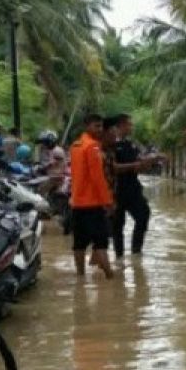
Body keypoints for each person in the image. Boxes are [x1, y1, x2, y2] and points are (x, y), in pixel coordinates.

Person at [69, 114, 114, 279]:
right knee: (101, 241)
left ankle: (80, 276)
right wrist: (107, 201)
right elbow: (98, 178)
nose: (100, 129)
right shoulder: (92, 147)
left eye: (101, 126)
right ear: (87, 126)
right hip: (92, 203)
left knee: (79, 243)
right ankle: (110, 275)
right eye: (97, 126)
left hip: (77, 203)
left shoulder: (75, 145)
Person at [110, 114, 157, 258]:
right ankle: (119, 257)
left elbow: (139, 165)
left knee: (143, 215)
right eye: (129, 124)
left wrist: (149, 162)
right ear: (120, 126)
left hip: (133, 188)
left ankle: (136, 251)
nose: (131, 127)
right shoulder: (111, 145)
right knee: (118, 225)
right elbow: (113, 168)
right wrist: (134, 165)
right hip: (116, 190)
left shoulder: (131, 144)